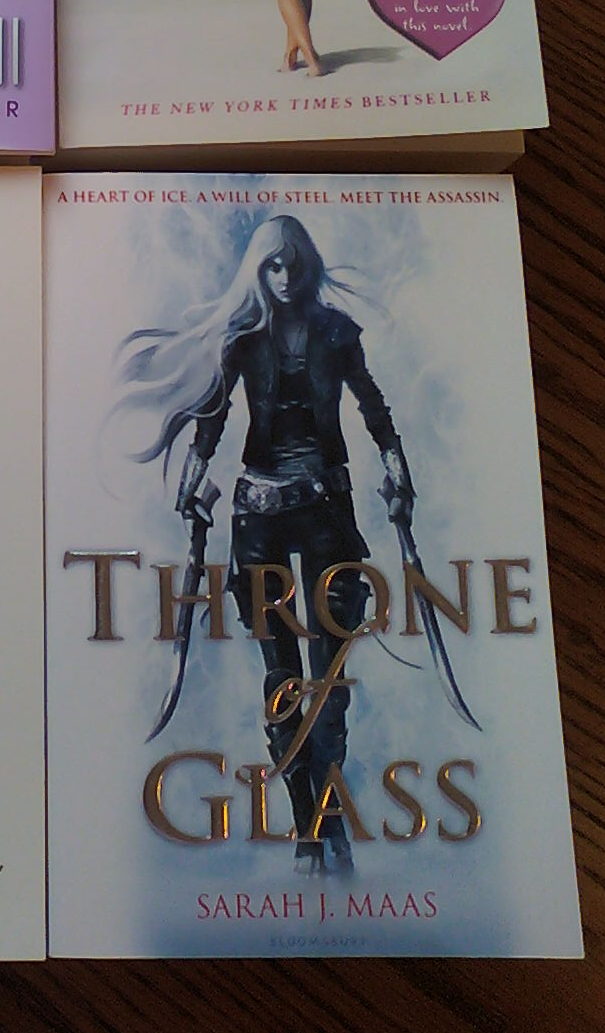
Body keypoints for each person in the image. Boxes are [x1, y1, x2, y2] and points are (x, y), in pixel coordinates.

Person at [116, 215, 414, 872]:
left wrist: (398, 471)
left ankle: (326, 823)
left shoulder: (338, 333)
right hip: (260, 517)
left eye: (292, 265)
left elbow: (373, 407)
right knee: (283, 683)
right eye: (272, 266)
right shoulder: (244, 339)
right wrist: (192, 486)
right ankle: (313, 834)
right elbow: (213, 418)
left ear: (307, 266)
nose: (283, 277)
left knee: (329, 688)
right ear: (259, 269)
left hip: (327, 512)